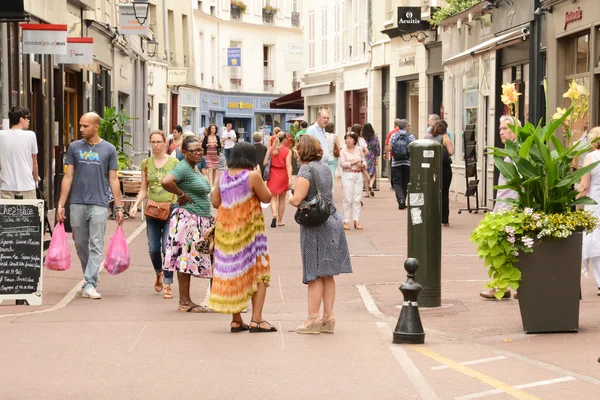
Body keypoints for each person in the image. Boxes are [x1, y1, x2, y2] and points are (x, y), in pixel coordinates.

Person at [207, 142, 276, 332]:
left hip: (227, 233)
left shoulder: (223, 177)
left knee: (234, 273)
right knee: (259, 272)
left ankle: (236, 320)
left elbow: (215, 202)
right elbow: (267, 198)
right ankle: (257, 319)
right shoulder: (252, 176)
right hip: (250, 232)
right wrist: (260, 178)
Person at [56, 112, 124, 300]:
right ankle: (89, 277)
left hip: (99, 203)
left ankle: (90, 282)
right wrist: (61, 204)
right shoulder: (74, 147)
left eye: (85, 126)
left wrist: (118, 207)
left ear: (96, 127)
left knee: (96, 243)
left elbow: (113, 178)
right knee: (79, 243)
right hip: (77, 201)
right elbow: (68, 176)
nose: (81, 129)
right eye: (80, 125)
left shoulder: (108, 149)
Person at [289, 135, 352, 334]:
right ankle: (329, 316)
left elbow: (297, 199)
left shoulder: (305, 170)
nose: (295, 151)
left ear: (303, 150)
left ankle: (312, 319)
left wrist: (289, 195)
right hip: (332, 218)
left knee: (314, 273)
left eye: (297, 147)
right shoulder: (324, 167)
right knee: (327, 273)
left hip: (316, 224)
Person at [161, 137, 214, 312]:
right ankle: (184, 301)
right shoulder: (183, 167)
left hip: (198, 218)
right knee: (185, 259)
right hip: (189, 219)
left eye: (201, 149)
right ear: (184, 152)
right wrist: (181, 195)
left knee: (190, 258)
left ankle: (189, 300)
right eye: (194, 150)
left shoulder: (194, 167)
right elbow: (166, 181)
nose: (199, 153)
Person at [129, 131, 180, 299]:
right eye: (153, 142)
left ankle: (168, 284)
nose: (156, 145)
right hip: (152, 210)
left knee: (167, 246)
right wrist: (135, 205)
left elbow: (180, 185)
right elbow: (144, 189)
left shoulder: (174, 162)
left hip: (170, 208)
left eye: (159, 141)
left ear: (165, 143)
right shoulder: (146, 163)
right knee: (153, 249)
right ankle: (159, 272)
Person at [481, 115, 519, 300]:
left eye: (505, 128)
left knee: (503, 248)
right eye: (500, 129)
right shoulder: (507, 152)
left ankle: (502, 288)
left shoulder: (518, 152)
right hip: (503, 207)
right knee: (503, 248)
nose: (501, 132)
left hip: (511, 209)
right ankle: (505, 288)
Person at [577, 127, 600, 296]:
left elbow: (584, 186)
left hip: (594, 203)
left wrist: (576, 205)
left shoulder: (591, 157)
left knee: (595, 240)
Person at [0, 106, 39, 199]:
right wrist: (36, 178)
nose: (29, 120)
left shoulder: (1, 135)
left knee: (7, 213)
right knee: (29, 212)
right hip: (27, 185)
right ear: (21, 119)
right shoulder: (30, 135)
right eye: (27, 118)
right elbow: (34, 161)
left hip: (7, 185)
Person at [425, 120, 454, 225]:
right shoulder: (444, 137)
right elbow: (451, 152)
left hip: (430, 169)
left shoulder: (427, 138)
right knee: (444, 194)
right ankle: (444, 219)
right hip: (444, 169)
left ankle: (431, 216)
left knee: (431, 193)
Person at [339, 132, 367, 230]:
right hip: (348, 174)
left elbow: (364, 160)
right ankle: (346, 221)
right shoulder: (343, 151)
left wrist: (363, 165)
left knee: (357, 198)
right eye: (347, 138)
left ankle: (356, 220)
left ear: (355, 140)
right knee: (347, 198)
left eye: (351, 138)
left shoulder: (359, 150)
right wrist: (353, 162)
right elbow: (342, 164)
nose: (348, 140)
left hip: (358, 174)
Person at [264, 130, 292, 227]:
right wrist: (290, 179)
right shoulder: (288, 151)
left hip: (272, 174)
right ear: (284, 140)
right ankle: (280, 220)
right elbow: (288, 165)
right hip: (283, 174)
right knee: (282, 199)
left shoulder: (271, 149)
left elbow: (264, 163)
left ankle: (274, 214)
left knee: (273, 197)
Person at [386, 119, 415, 210]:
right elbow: (414, 149)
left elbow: (389, 147)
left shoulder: (394, 135)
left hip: (396, 162)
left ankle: (400, 200)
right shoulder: (411, 136)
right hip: (407, 162)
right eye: (408, 126)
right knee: (405, 182)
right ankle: (403, 200)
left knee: (397, 182)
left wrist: (394, 150)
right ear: (406, 126)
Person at [362, 122, 380, 198]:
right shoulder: (375, 137)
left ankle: (367, 191)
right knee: (373, 173)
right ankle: (371, 185)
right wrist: (377, 157)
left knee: (365, 174)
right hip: (372, 156)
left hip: (364, 155)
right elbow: (377, 148)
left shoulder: (362, 137)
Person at [202, 124, 222, 189]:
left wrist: (216, 145)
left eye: (215, 128)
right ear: (210, 129)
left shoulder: (217, 137)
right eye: (212, 128)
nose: (214, 130)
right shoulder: (207, 137)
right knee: (210, 169)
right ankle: (210, 184)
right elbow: (203, 145)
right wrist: (208, 144)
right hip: (208, 154)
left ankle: (213, 183)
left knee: (214, 170)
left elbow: (219, 146)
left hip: (215, 155)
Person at [385, 119, 401, 189]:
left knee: (394, 169)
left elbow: (387, 144)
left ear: (395, 124)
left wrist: (385, 153)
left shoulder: (392, 133)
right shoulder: (406, 133)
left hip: (394, 155)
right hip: (405, 156)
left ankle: (393, 184)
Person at [325, 122, 340, 192]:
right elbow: (339, 147)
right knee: (331, 176)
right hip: (333, 158)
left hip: (324, 158)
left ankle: (325, 191)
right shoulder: (335, 136)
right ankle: (331, 191)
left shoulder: (323, 136)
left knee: (324, 175)